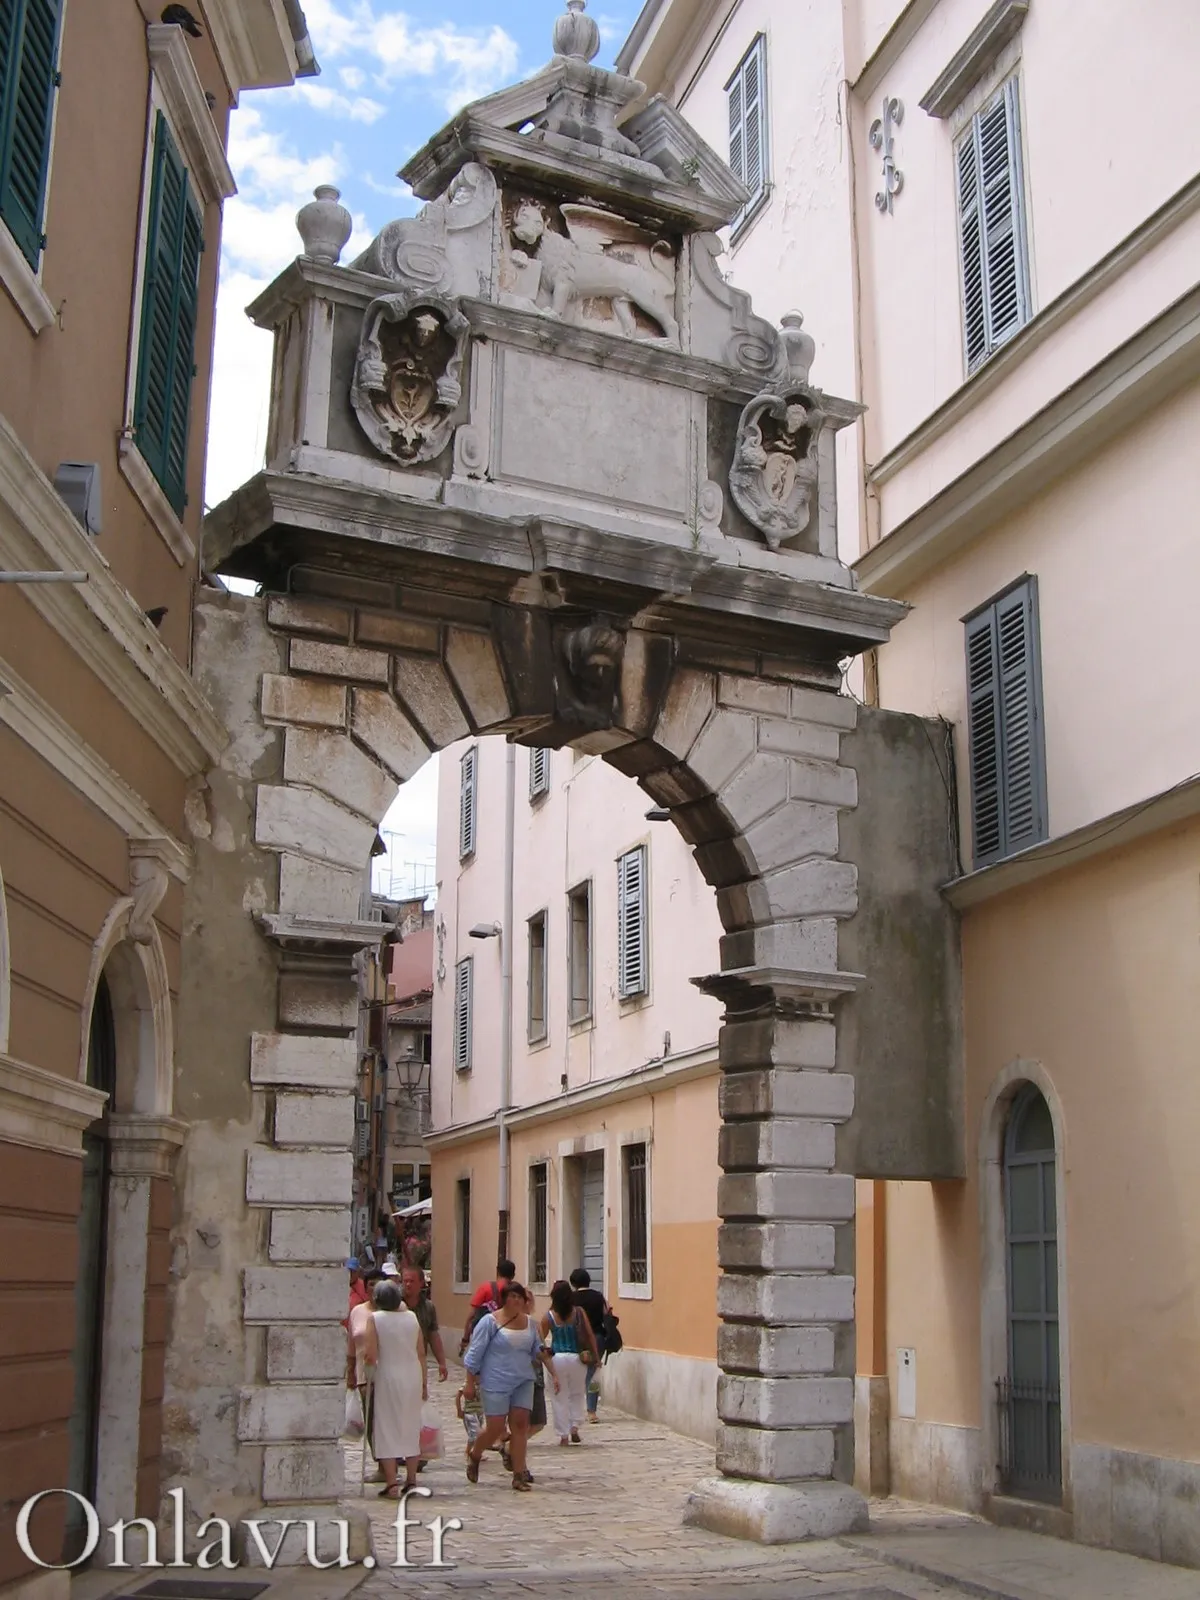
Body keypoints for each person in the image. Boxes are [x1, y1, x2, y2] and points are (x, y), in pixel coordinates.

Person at [462, 1281, 556, 1492]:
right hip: (496, 1380)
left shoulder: (530, 1324)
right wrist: (469, 1382)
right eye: (512, 1296)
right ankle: (475, 1454)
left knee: (520, 1426)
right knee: (495, 1427)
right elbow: (474, 1354)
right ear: (504, 1299)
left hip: (523, 1380)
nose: (516, 1300)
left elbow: (537, 1349)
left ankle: (518, 1474)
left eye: (519, 1297)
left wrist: (551, 1366)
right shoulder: (489, 1322)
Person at [362, 1278, 427, 1498]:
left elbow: (370, 1354)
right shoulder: (412, 1318)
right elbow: (421, 1352)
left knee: (386, 1426)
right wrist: (424, 1382)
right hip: (412, 1375)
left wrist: (367, 1374)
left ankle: (391, 1483)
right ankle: (411, 1478)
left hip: (388, 1375)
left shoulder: (375, 1319)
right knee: (410, 1425)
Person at [540, 1279, 599, 1446]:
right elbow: (589, 1334)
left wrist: (544, 1355)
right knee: (577, 1394)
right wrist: (596, 1356)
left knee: (559, 1397)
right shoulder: (578, 1312)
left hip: (557, 1359)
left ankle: (563, 1435)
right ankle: (574, 1426)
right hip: (577, 1359)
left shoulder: (549, 1316)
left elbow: (540, 1339)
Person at [570, 1267, 609, 1423]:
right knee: (592, 1374)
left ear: (573, 1283)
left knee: (575, 1373)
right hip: (597, 1337)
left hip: (576, 1339)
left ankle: (574, 1408)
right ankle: (592, 1411)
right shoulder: (598, 1296)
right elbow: (606, 1313)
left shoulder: (571, 1298)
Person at [400, 1266, 448, 1383]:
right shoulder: (393, 1304)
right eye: (405, 1281)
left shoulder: (428, 1307)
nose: (408, 1284)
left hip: (418, 1362)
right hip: (397, 1362)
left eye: (412, 1281)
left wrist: (441, 1362)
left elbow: (433, 1336)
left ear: (421, 1283)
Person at [458, 1257, 515, 1353]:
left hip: (486, 1337)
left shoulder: (486, 1288)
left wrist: (465, 1338)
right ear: (513, 1275)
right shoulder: (517, 1292)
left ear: (498, 1272)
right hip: (509, 1337)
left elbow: (472, 1316)